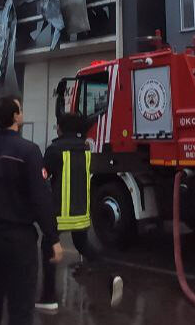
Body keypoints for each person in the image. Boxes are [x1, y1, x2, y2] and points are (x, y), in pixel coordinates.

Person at [0, 96, 61, 325]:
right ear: (15, 116)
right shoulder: (28, 151)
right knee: (20, 308)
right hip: (18, 240)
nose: (22, 112)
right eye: (20, 109)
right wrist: (52, 237)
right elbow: (40, 198)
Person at [36, 112, 124, 314]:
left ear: (61, 128)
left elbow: (42, 177)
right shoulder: (85, 148)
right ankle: (111, 275)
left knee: (48, 248)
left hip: (59, 213)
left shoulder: (54, 150)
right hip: (81, 212)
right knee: (84, 245)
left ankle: (48, 297)